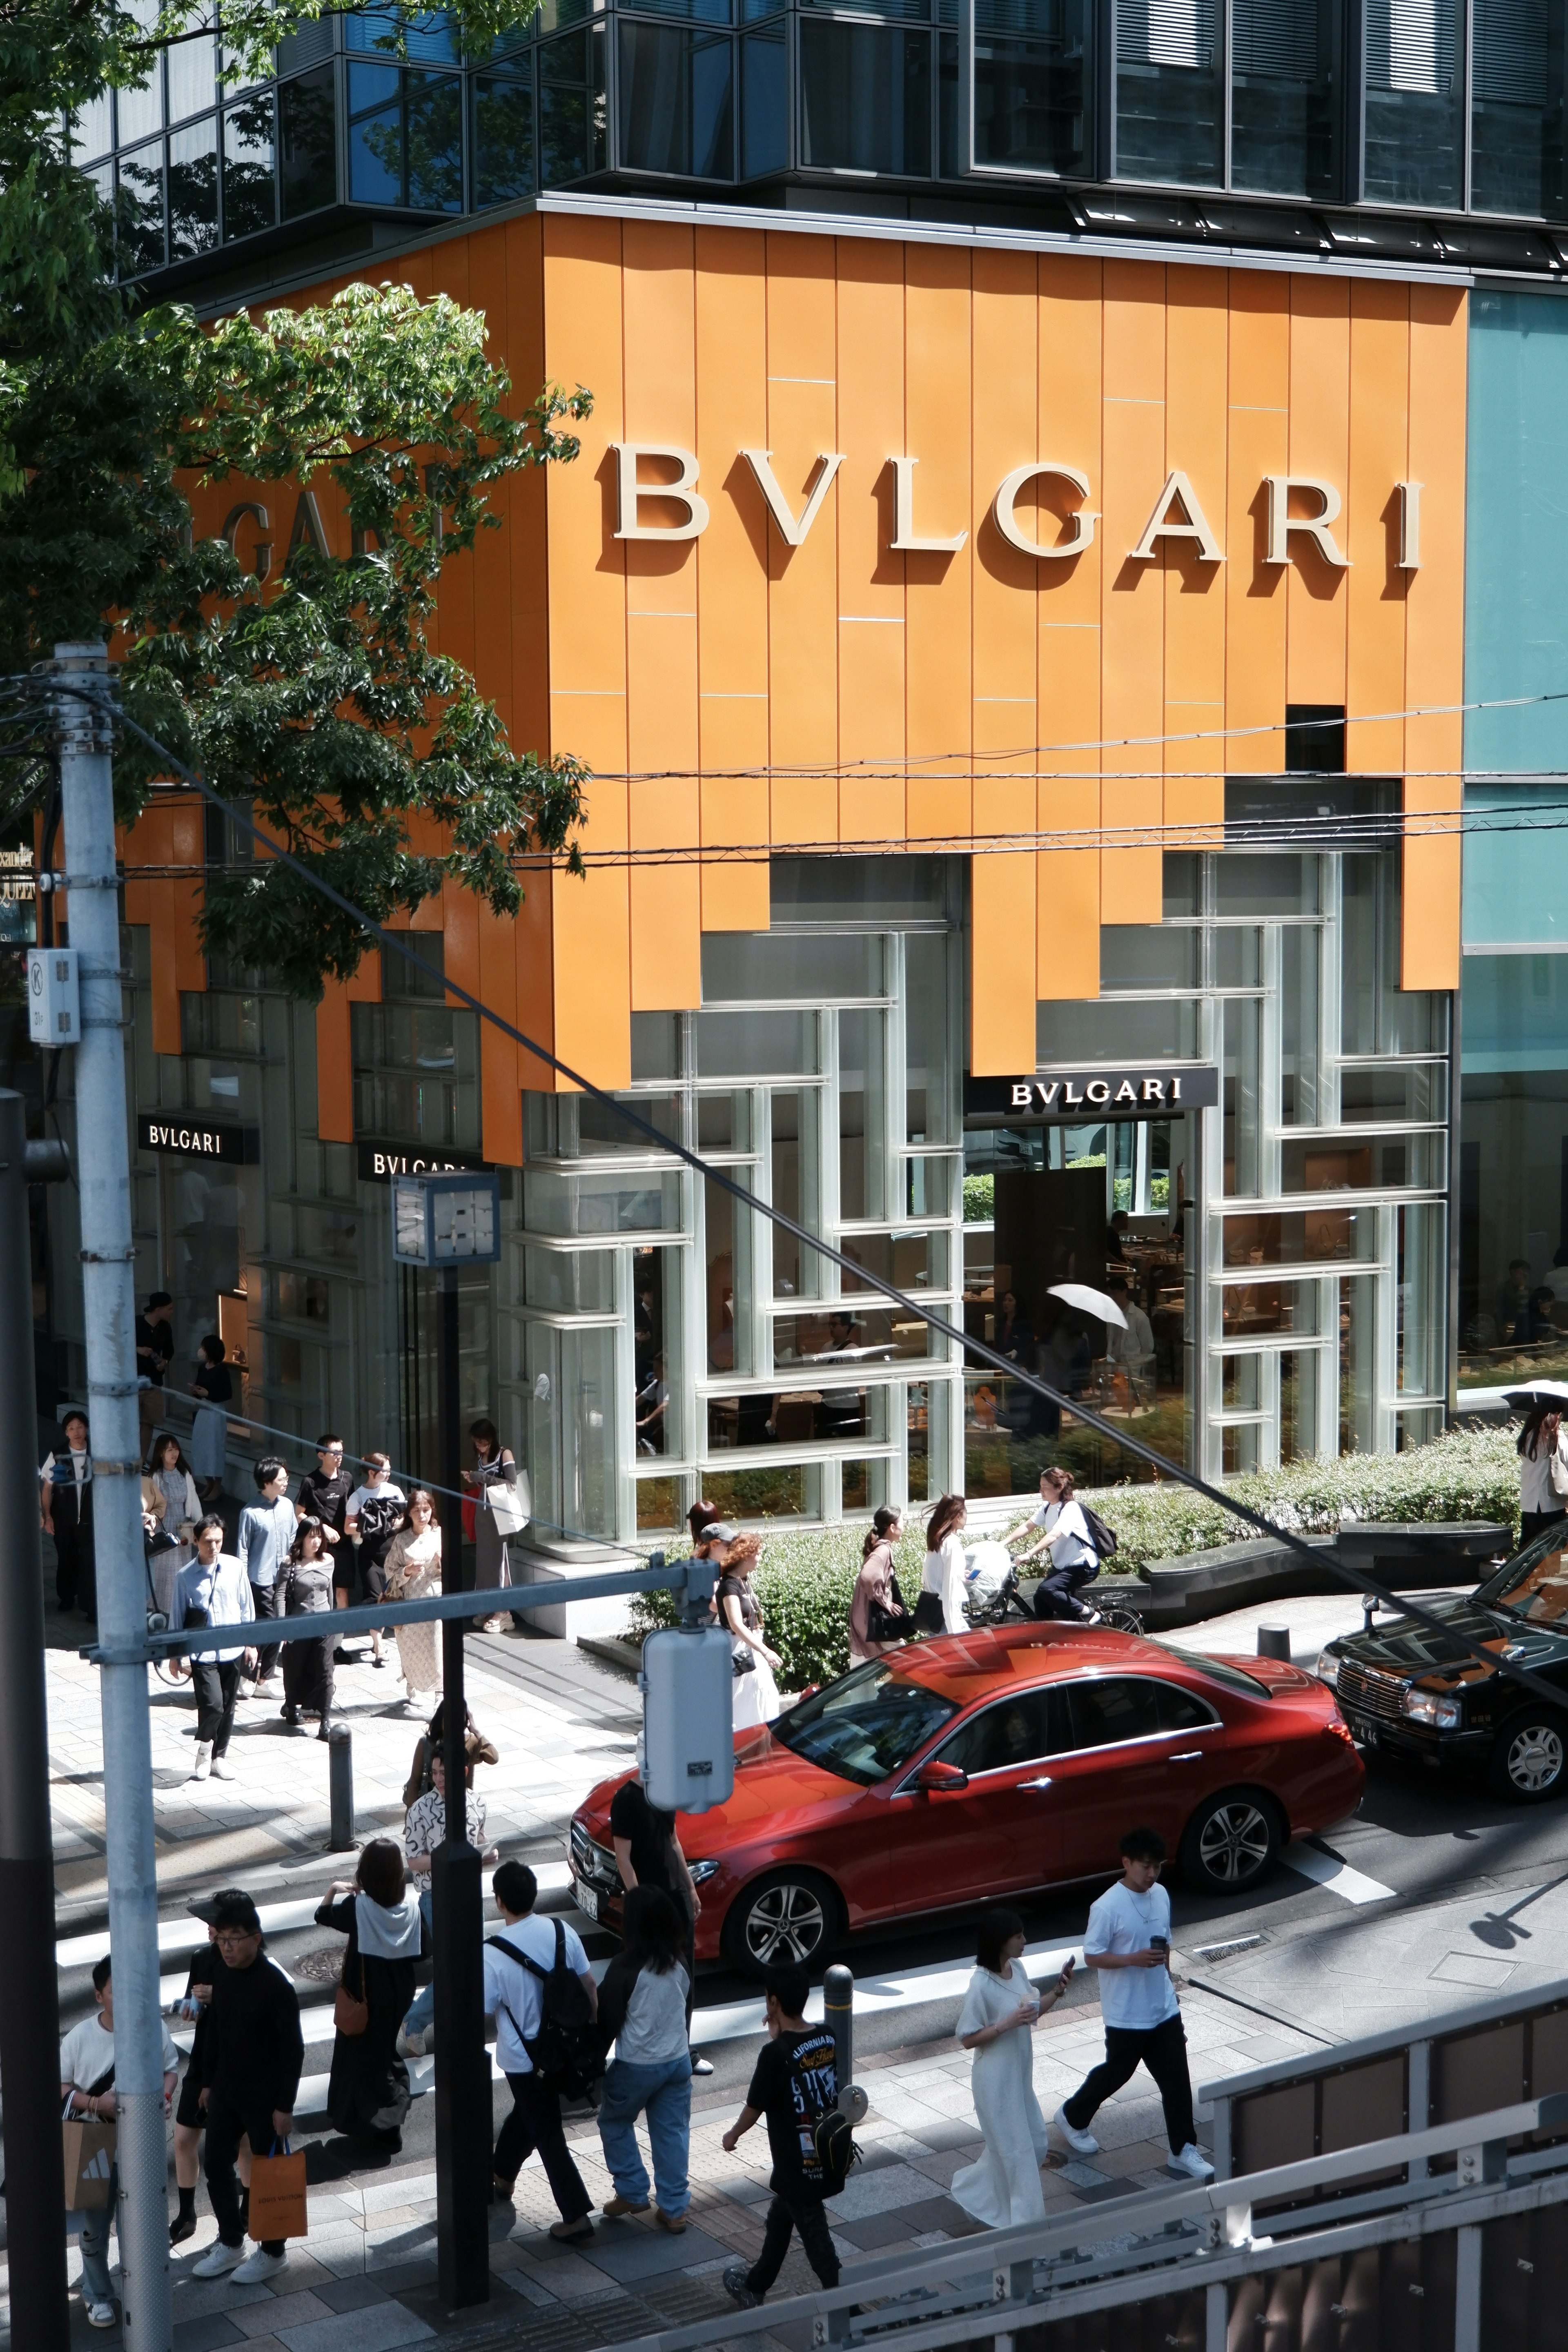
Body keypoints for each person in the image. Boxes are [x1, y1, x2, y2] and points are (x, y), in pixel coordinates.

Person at [1053, 1826, 1213, 2183]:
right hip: (1126, 2013)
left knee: (1177, 2079)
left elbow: (1165, 1943)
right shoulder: (1107, 1906)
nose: (1152, 1874)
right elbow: (1093, 1956)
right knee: (1118, 2072)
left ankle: (1183, 2149)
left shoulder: (1162, 1895)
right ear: (1126, 1863)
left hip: (1163, 2008)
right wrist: (1132, 1959)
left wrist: (1169, 1982)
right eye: (1145, 1866)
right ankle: (1073, 2115)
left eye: (1158, 1866)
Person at [190, 1891, 304, 2283]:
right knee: (216, 2163)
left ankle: (273, 2252)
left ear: (256, 1939)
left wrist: (285, 2106)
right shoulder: (222, 1975)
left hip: (265, 2097)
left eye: (234, 1939)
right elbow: (216, 2031)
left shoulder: (276, 1987)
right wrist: (208, 2082)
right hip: (226, 2088)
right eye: (222, 1939)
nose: (227, 1947)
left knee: (269, 2171)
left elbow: (293, 2049)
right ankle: (231, 2241)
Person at [62, 1955, 180, 2328]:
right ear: (99, 1996)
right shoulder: (80, 2037)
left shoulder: (153, 2028)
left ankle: (140, 2291)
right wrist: (97, 2103)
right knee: (93, 2225)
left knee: (140, 2222)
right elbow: (60, 2087)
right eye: (116, 1991)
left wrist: (165, 2096)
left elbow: (170, 2070)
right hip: (92, 2140)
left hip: (140, 2138)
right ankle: (97, 2294)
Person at [488, 1859, 598, 2241]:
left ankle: (577, 2215)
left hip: (525, 2060)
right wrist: (590, 2037)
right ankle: (502, 2176)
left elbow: (482, 2009)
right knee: (531, 2115)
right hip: (565, 2050)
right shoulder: (562, 1931)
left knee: (547, 2131)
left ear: (500, 1902)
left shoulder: (493, 1953)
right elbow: (589, 1987)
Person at [721, 1965, 841, 2310]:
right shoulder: (827, 2036)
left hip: (796, 2162)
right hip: (826, 2152)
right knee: (781, 2216)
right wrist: (780, 2035)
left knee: (817, 2241)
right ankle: (756, 2285)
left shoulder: (773, 2054)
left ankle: (848, 2306)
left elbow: (755, 2107)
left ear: (773, 2002)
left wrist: (733, 2134)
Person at [951, 1909, 1072, 2229]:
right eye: (1018, 1936)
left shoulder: (1016, 1969)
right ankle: (1027, 2229)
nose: (1024, 1941)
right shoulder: (980, 1985)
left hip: (1018, 2076)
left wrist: (1058, 1992)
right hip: (994, 2082)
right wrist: (1005, 2024)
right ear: (1000, 1941)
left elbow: (1031, 2012)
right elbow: (967, 2039)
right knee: (1018, 2154)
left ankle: (974, 2194)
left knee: (1035, 2142)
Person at [397, 1712, 499, 2057]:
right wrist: (450, 1860)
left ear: (464, 1772)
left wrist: (487, 1854)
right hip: (435, 1895)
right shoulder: (420, 1810)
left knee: (472, 1960)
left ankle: (455, 2018)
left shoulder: (478, 1804)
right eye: (435, 1773)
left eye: (445, 1773)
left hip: (469, 1892)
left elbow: (480, 1839)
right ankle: (415, 2022)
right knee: (450, 1965)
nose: (439, 1779)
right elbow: (413, 1861)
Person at [315, 1838, 424, 2155]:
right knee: (384, 2052)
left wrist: (334, 1889)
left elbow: (323, 1916)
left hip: (364, 1997)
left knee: (361, 2059)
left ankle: (383, 2124)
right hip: (400, 1993)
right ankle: (386, 2124)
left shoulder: (359, 1908)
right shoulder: (411, 1908)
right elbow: (424, 1951)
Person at [596, 1884, 693, 2230]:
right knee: (672, 2134)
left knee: (614, 2121)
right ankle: (674, 2209)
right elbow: (684, 2007)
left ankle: (633, 2190)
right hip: (678, 2062)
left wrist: (593, 2063)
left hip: (637, 2065)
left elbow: (607, 2021)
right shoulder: (679, 1962)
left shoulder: (625, 1967)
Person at [169, 1889, 254, 2247]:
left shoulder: (253, 1966)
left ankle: (247, 2210)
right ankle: (187, 2213)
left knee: (244, 2143)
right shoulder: (203, 1957)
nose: (209, 1929)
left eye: (215, 1923)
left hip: (239, 2064)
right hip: (204, 2059)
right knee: (184, 2138)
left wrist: (218, 1997)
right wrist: (191, 2007)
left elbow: (256, 2013)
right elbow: (195, 2006)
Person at [608, 1775, 707, 2072]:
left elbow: (673, 1841)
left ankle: (684, 2050)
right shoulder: (626, 1799)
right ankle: (637, 2050)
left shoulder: (666, 1788)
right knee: (641, 1974)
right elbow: (623, 1858)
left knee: (685, 1975)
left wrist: (690, 1888)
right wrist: (638, 1901)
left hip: (676, 1897)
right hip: (649, 1900)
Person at [171, 1516, 256, 1782]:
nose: (214, 1547)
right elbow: (177, 1617)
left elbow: (246, 1606)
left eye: (219, 1541)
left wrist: (251, 1643)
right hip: (203, 1653)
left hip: (233, 1648)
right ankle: (205, 1748)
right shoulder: (185, 1577)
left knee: (229, 1707)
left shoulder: (235, 1567)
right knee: (213, 1705)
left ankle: (220, 1757)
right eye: (208, 1541)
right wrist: (175, 1656)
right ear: (196, 1541)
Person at [345, 1451, 406, 1670]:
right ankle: (379, 1647)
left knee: (395, 1597)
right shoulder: (358, 1496)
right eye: (385, 1470)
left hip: (394, 1554)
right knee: (373, 1597)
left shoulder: (395, 1491)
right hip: (370, 1555)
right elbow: (348, 1527)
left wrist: (397, 1524)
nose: (389, 1474)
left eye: (389, 1470)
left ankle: (390, 1640)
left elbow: (405, 1518)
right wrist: (372, 1525)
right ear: (372, 1472)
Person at [237, 1455, 293, 1693]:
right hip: (260, 1579)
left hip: (284, 1577)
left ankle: (264, 1678)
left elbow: (293, 1537)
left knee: (280, 1625)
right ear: (267, 1482)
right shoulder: (250, 1513)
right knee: (265, 1625)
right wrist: (241, 1582)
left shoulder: (287, 1506)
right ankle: (248, 1675)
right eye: (282, 1479)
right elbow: (243, 1549)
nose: (286, 1482)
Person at [1013, 1467, 1099, 1621]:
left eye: (1045, 1487)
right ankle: (1051, 1632)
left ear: (1059, 1487)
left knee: (1047, 1590)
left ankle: (1089, 1613)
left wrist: (1029, 1554)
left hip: (1082, 1566)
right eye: (1041, 1486)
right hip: (1062, 1566)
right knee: (1040, 1598)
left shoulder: (1071, 1508)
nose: (1041, 1490)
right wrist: (1001, 1544)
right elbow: (1028, 1526)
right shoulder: (1047, 1507)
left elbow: (1054, 1535)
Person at [383, 1487, 443, 1706]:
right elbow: (390, 1570)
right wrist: (407, 1571)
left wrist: (441, 1562)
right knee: (411, 1646)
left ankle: (440, 1690)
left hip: (435, 1598)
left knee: (437, 1645)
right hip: (409, 1600)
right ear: (409, 1513)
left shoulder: (439, 1535)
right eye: (417, 1511)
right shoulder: (402, 1540)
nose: (422, 1515)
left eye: (426, 1510)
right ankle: (412, 1684)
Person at [717, 1531, 782, 1729]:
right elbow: (736, 1624)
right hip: (740, 1653)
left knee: (765, 1699)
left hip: (751, 1649)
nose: (760, 1559)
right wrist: (766, 1651)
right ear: (746, 1555)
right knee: (745, 1705)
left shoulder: (743, 1580)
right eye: (758, 1554)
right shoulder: (729, 1586)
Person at [278, 1517, 335, 1737]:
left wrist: (333, 1620)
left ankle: (325, 1720)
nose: (316, 1541)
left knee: (326, 1672)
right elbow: (280, 1595)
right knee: (295, 1670)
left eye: (319, 1536)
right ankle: (291, 1705)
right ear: (302, 1538)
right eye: (312, 1536)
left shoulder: (328, 1560)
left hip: (324, 1625)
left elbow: (329, 1593)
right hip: (298, 1625)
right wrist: (282, 1627)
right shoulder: (290, 1563)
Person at [463, 1417, 521, 1622]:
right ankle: (486, 1606)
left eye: (483, 1442)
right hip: (484, 1511)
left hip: (500, 1514)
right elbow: (486, 1484)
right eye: (476, 1442)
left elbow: (512, 1484)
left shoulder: (505, 1454)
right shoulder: (482, 1456)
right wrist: (475, 1479)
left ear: (491, 1438)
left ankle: (503, 1611)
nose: (479, 1446)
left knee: (499, 1560)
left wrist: (481, 1478)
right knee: (484, 1562)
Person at [41, 1408, 95, 1616]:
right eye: (71, 1428)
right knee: (66, 1558)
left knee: (88, 1561)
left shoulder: (96, 1453)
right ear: (66, 1432)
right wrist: (48, 1516)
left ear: (86, 1428)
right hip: (64, 1518)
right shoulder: (58, 1455)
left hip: (90, 1519)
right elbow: (47, 1488)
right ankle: (66, 1596)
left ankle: (89, 1604)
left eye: (80, 1427)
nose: (76, 1432)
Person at [142, 1431, 200, 1588]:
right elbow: (152, 1503)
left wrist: (200, 1524)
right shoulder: (156, 1476)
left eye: (176, 1449)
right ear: (161, 1453)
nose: (175, 1453)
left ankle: (180, 1599)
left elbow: (193, 1500)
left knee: (184, 1565)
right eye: (170, 1450)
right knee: (166, 1568)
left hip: (183, 1525)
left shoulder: (184, 1473)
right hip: (164, 1525)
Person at [849, 1506, 906, 1664]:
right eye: (903, 1522)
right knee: (905, 1660)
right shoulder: (884, 1550)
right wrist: (885, 1601)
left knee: (865, 1668)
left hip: (865, 1617)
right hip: (875, 1620)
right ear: (892, 1528)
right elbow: (867, 1576)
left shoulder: (880, 1547)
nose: (904, 1527)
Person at [915, 1493, 969, 1635]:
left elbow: (934, 1574)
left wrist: (960, 1575)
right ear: (958, 1516)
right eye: (966, 1512)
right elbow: (951, 1591)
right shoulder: (952, 1545)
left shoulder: (938, 1540)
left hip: (935, 1615)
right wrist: (954, 1631)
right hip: (946, 1619)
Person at [187, 1334, 233, 1499]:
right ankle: (209, 1483)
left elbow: (227, 1393)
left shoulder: (222, 1370)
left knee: (215, 1448)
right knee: (202, 1446)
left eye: (204, 1348)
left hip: (215, 1412)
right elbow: (200, 1386)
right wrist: (196, 1391)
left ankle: (218, 1485)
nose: (201, 1351)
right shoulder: (202, 1368)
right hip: (203, 1410)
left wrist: (209, 1394)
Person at [1518, 1404, 1568, 1543]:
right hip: (1551, 1503)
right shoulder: (1558, 1438)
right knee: (1554, 1547)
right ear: (1555, 1416)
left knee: (1529, 1547)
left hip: (1529, 1503)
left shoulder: (1527, 1437)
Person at [1107, 1275, 1156, 1400]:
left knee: (1133, 1401)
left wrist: (1136, 1363)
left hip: (1132, 1369)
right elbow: (1111, 1342)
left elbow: (1148, 1347)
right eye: (1110, 1294)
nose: (1112, 1297)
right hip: (1114, 1367)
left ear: (1124, 1292)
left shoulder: (1140, 1317)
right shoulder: (1111, 1316)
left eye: (1115, 1293)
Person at [135, 1290, 175, 1436]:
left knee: (149, 1422)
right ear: (159, 1309)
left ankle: (144, 1452)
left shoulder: (165, 1327)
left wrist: (164, 1362)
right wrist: (138, 1349)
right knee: (130, 1420)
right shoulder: (137, 1323)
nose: (172, 1312)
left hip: (155, 1382)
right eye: (169, 1309)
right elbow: (121, 1345)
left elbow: (170, 1351)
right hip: (135, 1380)